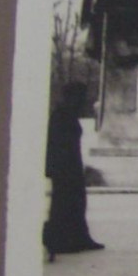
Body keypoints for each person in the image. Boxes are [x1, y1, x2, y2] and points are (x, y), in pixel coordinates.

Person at [43, 82, 102, 257]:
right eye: (81, 97)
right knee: (66, 203)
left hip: (71, 165)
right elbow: (53, 144)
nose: (83, 101)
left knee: (74, 202)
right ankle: (63, 240)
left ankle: (76, 238)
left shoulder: (66, 114)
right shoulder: (61, 115)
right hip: (64, 167)